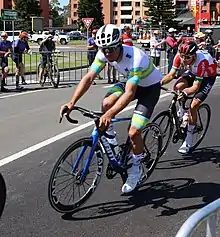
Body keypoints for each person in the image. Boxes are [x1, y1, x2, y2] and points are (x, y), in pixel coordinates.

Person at [60, 24, 162, 193]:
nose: (107, 54)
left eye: (110, 49)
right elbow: (89, 77)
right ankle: (112, 141)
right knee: (107, 103)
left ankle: (136, 168)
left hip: (149, 89)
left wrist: (110, 114)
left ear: (120, 44)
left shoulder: (135, 57)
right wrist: (72, 102)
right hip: (130, 82)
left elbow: (129, 94)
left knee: (133, 132)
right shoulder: (104, 53)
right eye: (104, 50)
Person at [161, 41, 217, 154]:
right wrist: (158, 83)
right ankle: (182, 110)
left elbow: (196, 87)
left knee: (194, 105)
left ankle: (189, 138)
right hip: (192, 72)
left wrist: (186, 93)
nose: (184, 59)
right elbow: (171, 75)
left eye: (187, 57)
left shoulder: (202, 61)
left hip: (207, 77)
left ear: (194, 55)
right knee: (177, 86)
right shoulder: (180, 56)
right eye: (182, 57)